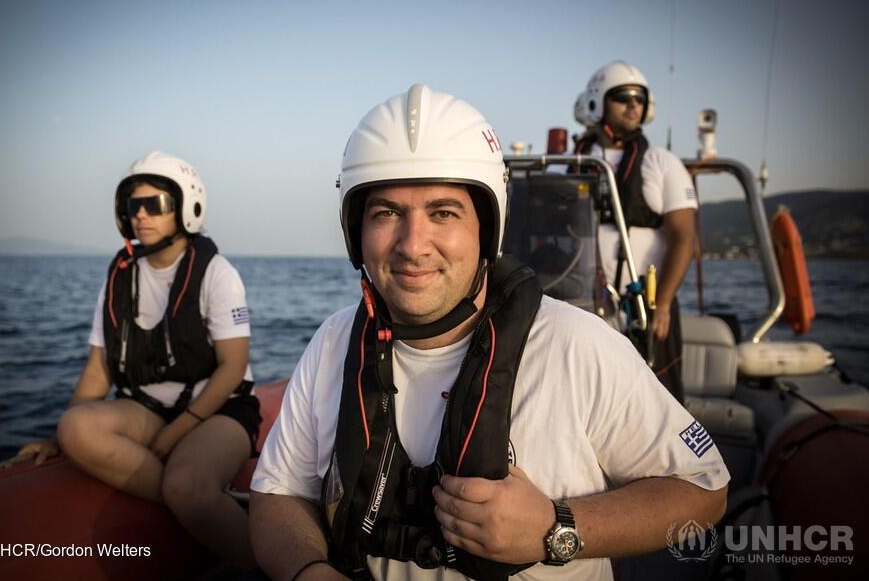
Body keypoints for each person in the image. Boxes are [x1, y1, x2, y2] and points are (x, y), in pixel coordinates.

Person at [249, 84, 728, 581]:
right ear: (356, 230)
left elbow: (705, 489)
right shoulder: (334, 344)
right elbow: (278, 492)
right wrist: (311, 571)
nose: (413, 245)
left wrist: (556, 527)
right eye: (386, 213)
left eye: (443, 213)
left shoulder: (575, 345)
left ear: (487, 228)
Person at [15, 151, 261, 571]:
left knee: (186, 482)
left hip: (221, 407)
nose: (141, 215)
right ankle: (211, 506)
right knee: (75, 427)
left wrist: (176, 432)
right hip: (148, 407)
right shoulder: (120, 277)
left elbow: (233, 366)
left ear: (185, 208)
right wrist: (58, 441)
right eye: (134, 206)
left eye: (155, 205)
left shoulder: (217, 273)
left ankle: (259, 559)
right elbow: (98, 370)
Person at [573, 61, 698, 402]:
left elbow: (684, 238)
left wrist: (664, 304)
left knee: (656, 402)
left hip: (643, 309)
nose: (633, 105)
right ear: (597, 102)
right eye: (623, 97)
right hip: (580, 307)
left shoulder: (661, 163)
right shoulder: (569, 162)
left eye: (640, 99)